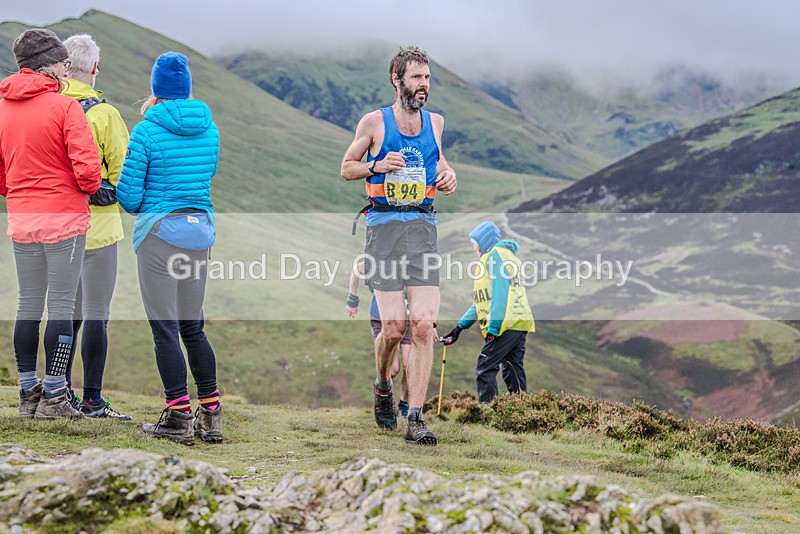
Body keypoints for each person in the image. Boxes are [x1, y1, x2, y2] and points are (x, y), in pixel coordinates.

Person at [341, 46, 457, 445]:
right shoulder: (374, 122)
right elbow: (346, 168)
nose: (424, 85)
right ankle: (383, 386)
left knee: (423, 327)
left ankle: (416, 417)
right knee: (394, 328)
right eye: (416, 78)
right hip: (384, 230)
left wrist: (447, 175)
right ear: (397, 80)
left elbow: (438, 162)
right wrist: (376, 165)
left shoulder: (435, 123)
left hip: (423, 229)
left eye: (427, 77)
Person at [117, 52, 221, 446]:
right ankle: (211, 414)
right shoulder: (210, 129)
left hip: (159, 236)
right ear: (188, 87)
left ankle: (178, 415)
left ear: (156, 89)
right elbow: (205, 175)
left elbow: (128, 197)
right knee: (193, 327)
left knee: (165, 330)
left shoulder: (146, 131)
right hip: (199, 235)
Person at [0, 28, 102, 420]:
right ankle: (55, 396)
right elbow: (89, 170)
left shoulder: (3, 107)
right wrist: (82, 189)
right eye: (62, 63)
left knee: (28, 303)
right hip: (64, 219)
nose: (66, 70)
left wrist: (19, 193)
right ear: (48, 66)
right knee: (60, 303)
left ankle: (28, 393)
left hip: (22, 218)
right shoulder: (65, 107)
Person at [61, 33, 131, 420]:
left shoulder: (48, 108)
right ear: (96, 68)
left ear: (62, 66)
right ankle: (91, 400)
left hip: (53, 230)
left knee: (62, 314)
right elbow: (123, 180)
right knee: (95, 315)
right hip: (98, 233)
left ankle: (58, 392)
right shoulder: (105, 115)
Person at [441, 221, 535, 403]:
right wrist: (460, 327)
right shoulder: (505, 256)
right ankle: (523, 412)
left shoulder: (493, 257)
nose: (473, 246)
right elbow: (483, 300)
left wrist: (494, 327)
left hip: (505, 323)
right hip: (519, 321)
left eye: (474, 241)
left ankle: (488, 413)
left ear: (483, 240)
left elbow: (501, 292)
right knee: (512, 369)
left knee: (485, 367)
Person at [346, 258, 410, 416]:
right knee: (393, 369)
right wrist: (352, 299)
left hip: (409, 318)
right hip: (381, 318)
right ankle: (385, 398)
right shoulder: (380, 255)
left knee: (410, 367)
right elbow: (357, 269)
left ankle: (404, 405)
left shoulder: (413, 255)